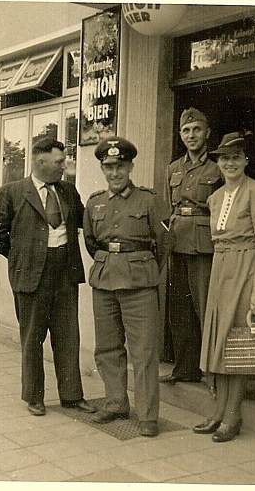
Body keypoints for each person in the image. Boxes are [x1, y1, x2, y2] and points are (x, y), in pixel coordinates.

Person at [0, 137, 95, 416]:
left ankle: (71, 396)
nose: (64, 166)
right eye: (59, 162)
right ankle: (34, 397)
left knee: (68, 334)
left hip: (65, 272)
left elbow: (84, 222)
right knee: (32, 336)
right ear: (39, 161)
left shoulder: (68, 191)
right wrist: (20, 256)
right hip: (31, 275)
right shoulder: (12, 192)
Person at [83, 136, 170, 437]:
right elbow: (92, 243)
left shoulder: (148, 200)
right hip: (105, 281)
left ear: (131, 166)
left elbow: (163, 244)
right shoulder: (95, 202)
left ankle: (147, 415)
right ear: (102, 169)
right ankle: (116, 402)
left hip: (139, 283)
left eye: (120, 166)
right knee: (107, 347)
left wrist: (143, 270)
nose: (115, 172)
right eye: (109, 167)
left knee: (144, 351)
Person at [193, 131, 255, 442]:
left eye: (235, 157)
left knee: (238, 341)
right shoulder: (214, 198)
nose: (229, 163)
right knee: (220, 339)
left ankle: (233, 415)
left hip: (247, 268)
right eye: (224, 158)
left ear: (245, 160)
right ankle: (218, 411)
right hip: (221, 269)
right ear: (218, 163)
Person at [160, 108, 223, 384]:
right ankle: (186, 368)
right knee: (180, 309)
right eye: (186, 131)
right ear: (180, 135)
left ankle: (212, 372)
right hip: (176, 244)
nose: (191, 135)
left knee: (205, 307)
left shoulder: (217, 167)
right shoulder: (173, 168)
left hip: (203, 245)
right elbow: (167, 208)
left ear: (207, 133)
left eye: (196, 129)